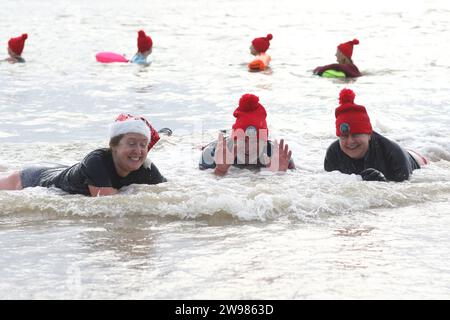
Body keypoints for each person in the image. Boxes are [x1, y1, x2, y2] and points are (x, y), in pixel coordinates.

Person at [0, 114, 167, 196]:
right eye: (131, 143)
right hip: (33, 179)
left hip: (62, 170)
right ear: (114, 146)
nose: (138, 151)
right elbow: (109, 205)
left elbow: (170, 193)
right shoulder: (96, 161)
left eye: (143, 145)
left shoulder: (146, 167)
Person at [324, 88, 427, 182]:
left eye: (356, 135)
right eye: (344, 137)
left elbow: (405, 193)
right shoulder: (333, 154)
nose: (350, 141)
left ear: (369, 134)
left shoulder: (394, 155)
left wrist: (383, 184)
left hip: (418, 160)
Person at [199, 93, 295, 176]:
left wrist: (278, 175)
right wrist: (219, 171)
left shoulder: (278, 157)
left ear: (264, 141)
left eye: (255, 141)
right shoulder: (213, 153)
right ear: (235, 139)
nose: (248, 148)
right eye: (244, 140)